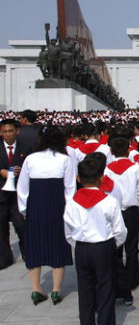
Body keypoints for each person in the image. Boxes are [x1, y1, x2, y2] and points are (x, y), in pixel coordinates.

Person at [63, 158, 127, 325]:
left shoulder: (71, 203)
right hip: (104, 246)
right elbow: (120, 230)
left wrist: (77, 245)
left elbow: (68, 231)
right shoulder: (109, 201)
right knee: (105, 291)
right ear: (101, 178)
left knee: (85, 292)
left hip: (82, 248)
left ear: (78, 178)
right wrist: (114, 245)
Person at [17, 125, 76, 305]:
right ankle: (56, 290)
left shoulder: (30, 158)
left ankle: (36, 289)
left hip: (35, 206)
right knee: (58, 243)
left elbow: (22, 188)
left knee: (34, 245)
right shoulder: (65, 159)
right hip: (57, 206)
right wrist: (69, 210)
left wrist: (25, 210)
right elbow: (70, 188)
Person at [105, 137, 139, 305]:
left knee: (115, 250)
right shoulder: (135, 168)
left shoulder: (107, 170)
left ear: (112, 151)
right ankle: (131, 280)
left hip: (113, 212)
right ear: (128, 151)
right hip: (131, 211)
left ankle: (119, 285)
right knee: (131, 248)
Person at [0, 119, 27, 270]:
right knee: (1, 229)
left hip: (18, 195)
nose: (8, 134)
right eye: (5, 131)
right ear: (1, 132)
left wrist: (21, 171)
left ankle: (27, 254)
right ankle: (4, 258)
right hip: (2, 195)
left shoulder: (25, 148)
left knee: (22, 226)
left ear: (17, 131)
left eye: (11, 131)